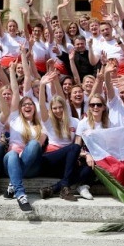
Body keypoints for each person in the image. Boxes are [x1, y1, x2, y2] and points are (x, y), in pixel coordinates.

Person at [37, 73, 83, 202]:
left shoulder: (75, 122)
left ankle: (54, 188)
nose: (57, 110)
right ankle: (64, 188)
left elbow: (78, 142)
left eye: (60, 107)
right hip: (50, 160)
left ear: (65, 107)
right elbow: (41, 106)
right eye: (54, 108)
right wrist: (41, 86)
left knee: (86, 170)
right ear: (51, 110)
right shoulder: (49, 121)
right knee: (73, 147)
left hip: (65, 163)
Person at [1, 93, 46, 212]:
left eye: (30, 104)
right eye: (24, 104)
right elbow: (14, 90)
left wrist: (24, 152)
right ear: (20, 108)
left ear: (34, 107)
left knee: (34, 144)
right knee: (12, 154)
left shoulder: (41, 125)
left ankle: (13, 185)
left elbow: (38, 146)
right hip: (11, 164)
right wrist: (11, 72)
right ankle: (20, 195)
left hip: (31, 165)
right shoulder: (15, 119)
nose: (27, 106)